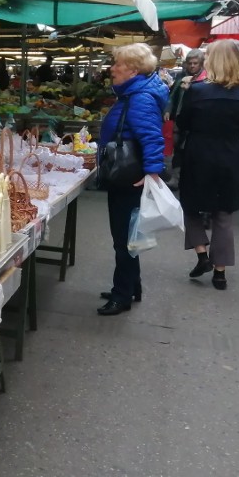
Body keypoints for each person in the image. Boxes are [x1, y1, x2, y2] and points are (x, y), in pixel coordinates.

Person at [177, 39, 239, 291]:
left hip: (198, 154)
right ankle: (220, 274)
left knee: (190, 205)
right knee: (223, 215)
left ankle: (202, 255)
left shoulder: (197, 90)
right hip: (229, 156)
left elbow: (183, 122)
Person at [97, 43, 167, 316]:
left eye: (118, 65)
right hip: (127, 176)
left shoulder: (140, 98)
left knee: (124, 239)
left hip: (128, 177)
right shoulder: (134, 93)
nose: (112, 69)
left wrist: (152, 172)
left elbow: (151, 137)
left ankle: (122, 295)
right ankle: (131, 286)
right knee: (130, 236)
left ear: (133, 69)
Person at [164, 48, 206, 190]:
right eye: (190, 63)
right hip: (180, 119)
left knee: (193, 150)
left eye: (195, 63)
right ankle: (176, 178)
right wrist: (168, 110)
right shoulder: (181, 77)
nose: (192, 66)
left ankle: (191, 179)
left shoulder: (205, 79)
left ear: (201, 64)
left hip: (197, 121)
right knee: (178, 148)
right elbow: (172, 96)